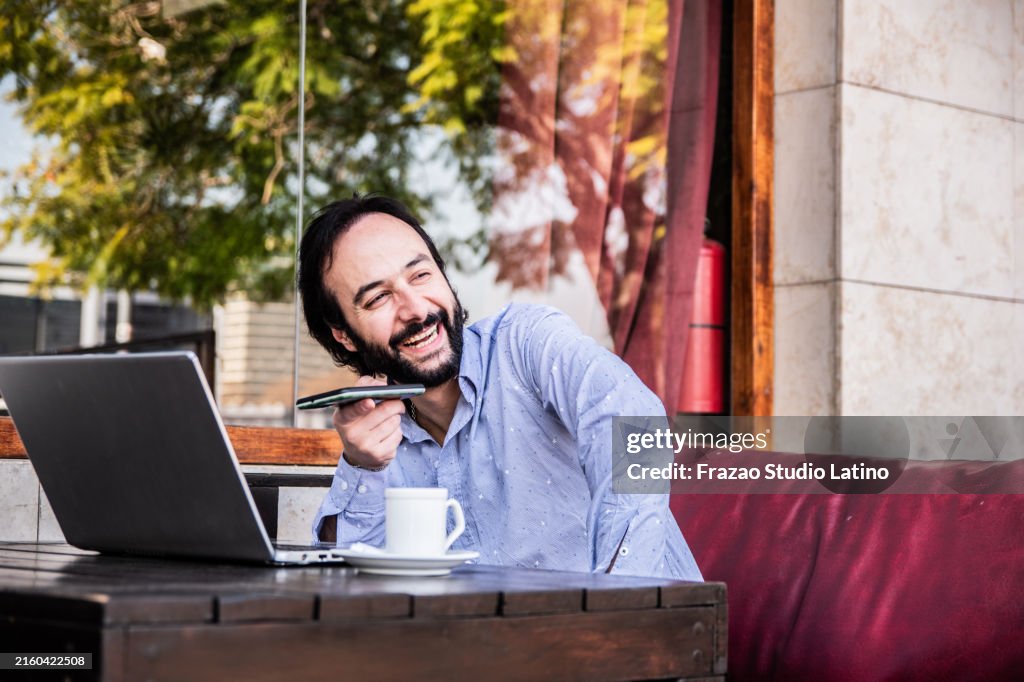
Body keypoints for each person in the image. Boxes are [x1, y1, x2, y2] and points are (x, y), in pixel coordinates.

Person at [298, 194, 702, 580]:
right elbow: (346, 580)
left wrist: (618, 596)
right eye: (378, 298)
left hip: (637, 623)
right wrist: (362, 467)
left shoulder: (527, 344)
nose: (417, 309)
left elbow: (635, 425)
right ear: (344, 335)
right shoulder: (377, 439)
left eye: (421, 275)